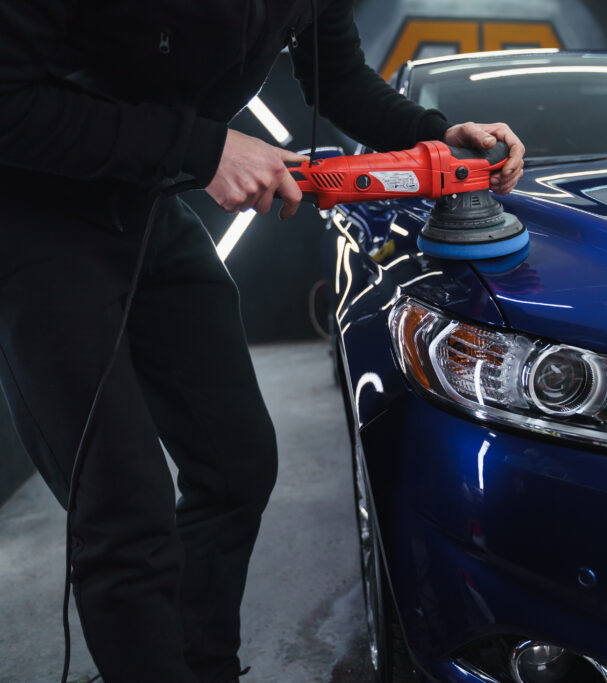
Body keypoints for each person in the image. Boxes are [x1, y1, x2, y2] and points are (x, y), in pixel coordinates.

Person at [0, 2, 525, 682]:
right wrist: (204, 148)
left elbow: (340, 78)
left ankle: (202, 666)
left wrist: (436, 135)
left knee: (236, 464)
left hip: (147, 204)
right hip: (34, 217)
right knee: (123, 512)